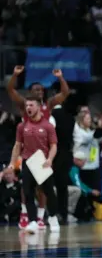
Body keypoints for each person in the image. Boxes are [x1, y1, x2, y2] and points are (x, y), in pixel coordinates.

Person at [7, 66, 70, 230]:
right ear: (30, 92)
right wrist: (15, 75)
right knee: (26, 187)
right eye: (36, 89)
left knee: (45, 188)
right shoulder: (24, 105)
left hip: (44, 152)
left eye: (41, 90)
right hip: (27, 149)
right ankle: (25, 214)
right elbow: (10, 89)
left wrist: (61, 78)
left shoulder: (48, 105)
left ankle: (42, 217)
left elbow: (65, 93)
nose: (39, 92)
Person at [8, 96, 60, 233]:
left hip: (42, 162)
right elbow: (17, 145)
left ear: (38, 106)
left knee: (49, 192)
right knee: (27, 191)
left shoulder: (48, 126)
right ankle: (32, 221)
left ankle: (53, 217)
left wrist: (49, 159)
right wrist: (12, 163)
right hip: (28, 161)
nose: (28, 108)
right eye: (27, 106)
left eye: (31, 105)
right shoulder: (22, 126)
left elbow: (54, 146)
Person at [51, 104, 75, 224]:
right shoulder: (70, 118)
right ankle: (62, 213)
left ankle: (52, 213)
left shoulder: (52, 116)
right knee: (62, 187)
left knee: (48, 186)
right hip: (65, 154)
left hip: (53, 153)